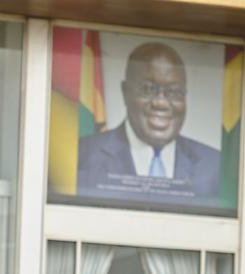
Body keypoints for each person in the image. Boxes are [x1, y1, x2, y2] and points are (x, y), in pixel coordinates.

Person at [77, 42, 220, 202]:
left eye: (174, 92)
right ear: (125, 92)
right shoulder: (82, 156)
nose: (161, 103)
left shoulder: (215, 167)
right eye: (148, 89)